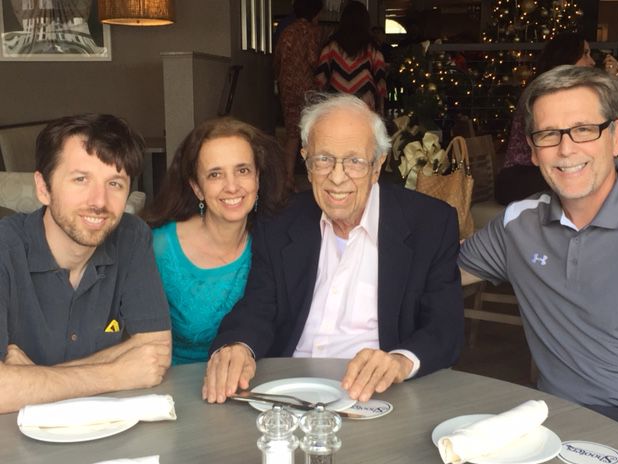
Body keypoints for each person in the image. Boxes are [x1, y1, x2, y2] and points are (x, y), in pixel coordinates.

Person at [202, 93, 464, 405]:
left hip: (376, 396)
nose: (337, 177)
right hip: (287, 394)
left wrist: (399, 361)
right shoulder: (281, 221)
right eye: (323, 160)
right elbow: (259, 305)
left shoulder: (429, 223)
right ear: (306, 161)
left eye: (354, 161)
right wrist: (237, 345)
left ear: (378, 165)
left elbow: (444, 327)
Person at [459, 65, 618, 432]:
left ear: (616, 136)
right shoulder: (519, 225)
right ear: (532, 150)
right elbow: (437, 273)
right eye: (548, 134)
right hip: (553, 417)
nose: (566, 149)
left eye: (584, 129)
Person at [0, 114, 171, 414]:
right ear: (43, 187)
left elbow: (156, 351)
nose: (99, 201)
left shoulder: (131, 237)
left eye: (115, 183)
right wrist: (116, 373)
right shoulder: (5, 249)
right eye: (81, 179)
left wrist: (30, 380)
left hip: (110, 432)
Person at [141, 118, 287, 365]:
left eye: (243, 170)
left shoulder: (277, 243)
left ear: (258, 178)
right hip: (178, 386)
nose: (232, 186)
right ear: (197, 188)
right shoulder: (159, 248)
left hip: (254, 384)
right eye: (215, 174)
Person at [496, 32, 618, 205]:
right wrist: (610, 80)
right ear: (566, 55)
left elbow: (609, 116)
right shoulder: (541, 95)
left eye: (583, 128)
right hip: (522, 177)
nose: (591, 61)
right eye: (585, 53)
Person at [274, 0, 324, 190]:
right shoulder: (310, 30)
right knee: (310, 131)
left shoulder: (286, 31)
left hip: (287, 87)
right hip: (306, 88)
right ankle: (314, 175)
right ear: (315, 12)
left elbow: (277, 60)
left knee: (291, 134)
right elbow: (313, 59)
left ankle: (287, 178)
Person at [315, 1, 387, 115]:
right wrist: (381, 112)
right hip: (365, 106)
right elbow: (381, 83)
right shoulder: (372, 48)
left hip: (336, 104)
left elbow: (320, 80)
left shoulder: (331, 46)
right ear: (365, 21)